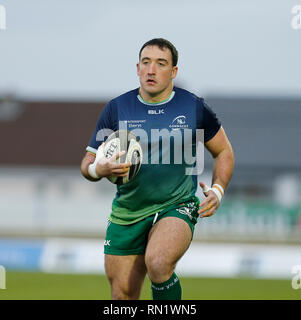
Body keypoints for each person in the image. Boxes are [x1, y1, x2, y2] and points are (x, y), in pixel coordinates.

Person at [80, 38, 234, 300]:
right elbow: (87, 164)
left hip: (176, 205)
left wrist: (218, 190)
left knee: (159, 262)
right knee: (122, 297)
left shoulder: (194, 107)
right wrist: (99, 169)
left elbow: (224, 152)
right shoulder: (116, 108)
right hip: (128, 212)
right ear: (137, 68)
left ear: (173, 71)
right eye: (146, 63)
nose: (151, 70)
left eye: (161, 64)